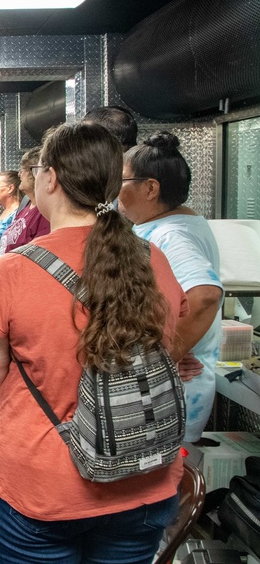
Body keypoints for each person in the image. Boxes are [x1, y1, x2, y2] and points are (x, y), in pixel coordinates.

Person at [0, 122, 186, 564]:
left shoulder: (14, 271)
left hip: (43, 482)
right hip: (142, 478)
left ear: (50, 179)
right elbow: (168, 342)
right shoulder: (151, 259)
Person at [120, 131, 223, 443]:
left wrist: (168, 355)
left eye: (123, 181)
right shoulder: (168, 226)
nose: (117, 191)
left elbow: (205, 296)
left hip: (173, 391)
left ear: (151, 188)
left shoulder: (171, 235)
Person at [0, 149, 50, 426]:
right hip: (6, 288)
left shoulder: (42, 213)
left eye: (22, 172)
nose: (20, 179)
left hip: (24, 293)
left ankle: (18, 410)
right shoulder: (27, 206)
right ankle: (9, 407)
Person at [0, 147, 51, 255]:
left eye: (23, 170)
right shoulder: (25, 206)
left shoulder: (44, 214)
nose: (19, 174)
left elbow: (38, 255)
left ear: (35, 172)